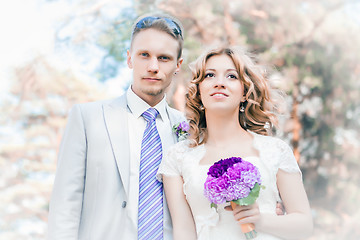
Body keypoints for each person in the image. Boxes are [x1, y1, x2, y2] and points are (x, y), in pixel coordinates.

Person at [47, 13, 185, 240]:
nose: (153, 66)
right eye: (144, 55)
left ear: (178, 65)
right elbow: (66, 203)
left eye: (164, 58)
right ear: (129, 58)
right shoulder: (87, 118)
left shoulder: (189, 129)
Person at [157, 46, 313, 240]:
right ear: (198, 91)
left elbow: (304, 225)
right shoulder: (178, 157)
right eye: (209, 75)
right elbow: (183, 232)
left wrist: (261, 220)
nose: (219, 83)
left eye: (231, 76)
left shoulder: (275, 150)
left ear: (245, 92)